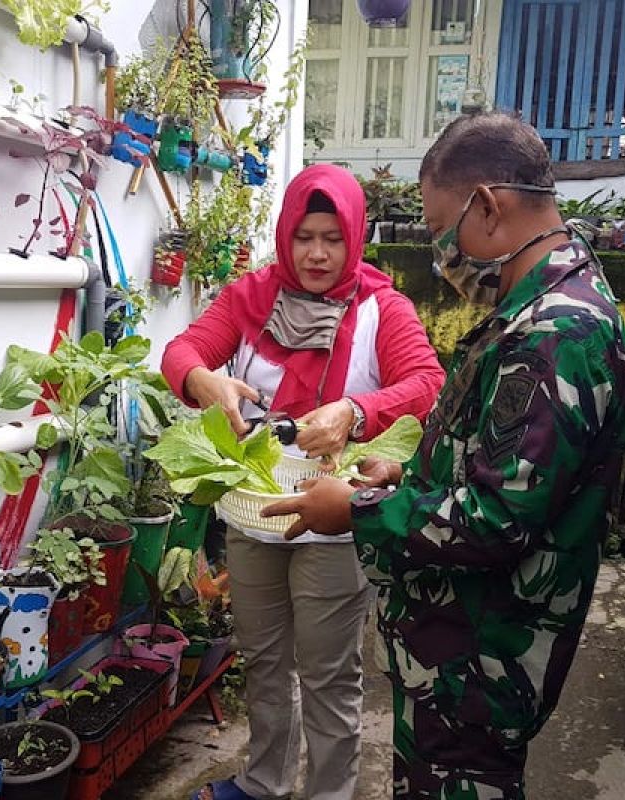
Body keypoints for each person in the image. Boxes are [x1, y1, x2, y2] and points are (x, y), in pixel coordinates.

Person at [264, 113, 625, 800]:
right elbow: (513, 471)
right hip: (455, 651)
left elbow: (495, 519)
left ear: (488, 206)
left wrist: (356, 510)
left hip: (481, 660)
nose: (444, 256)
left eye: (443, 234)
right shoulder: (543, 309)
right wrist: (408, 474)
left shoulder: (556, 334)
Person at [161, 164, 446, 800]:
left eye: (334, 238)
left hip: (335, 519)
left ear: (355, 239)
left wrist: (357, 411)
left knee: (328, 675)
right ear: (285, 235)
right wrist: (202, 381)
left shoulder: (381, 308)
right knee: (262, 660)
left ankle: (328, 794)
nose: (317, 253)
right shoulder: (248, 298)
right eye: (304, 236)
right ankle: (263, 782)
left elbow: (429, 385)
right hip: (253, 510)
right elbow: (181, 352)